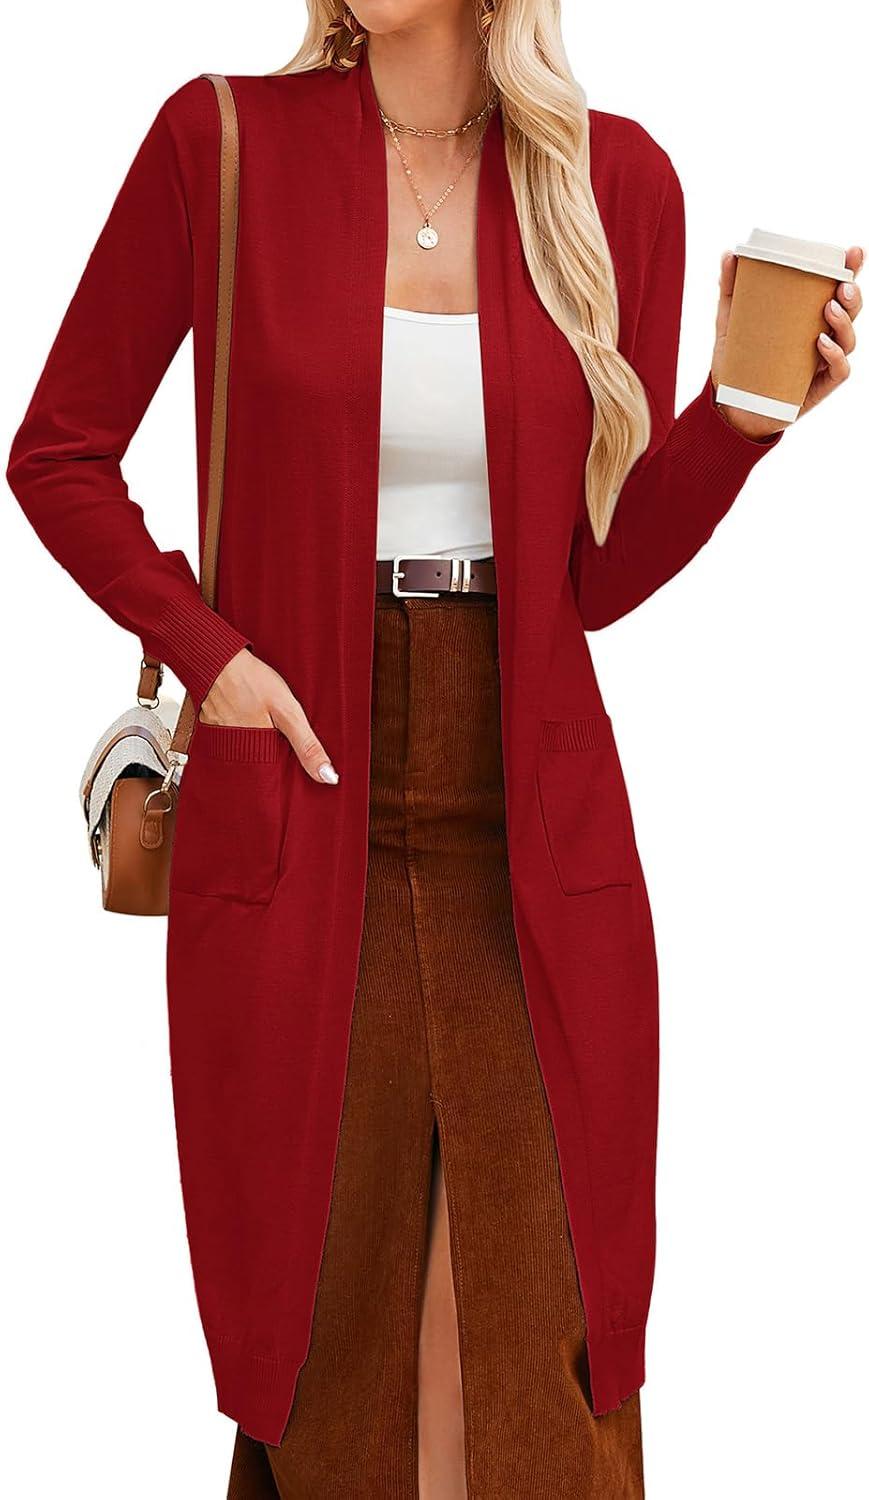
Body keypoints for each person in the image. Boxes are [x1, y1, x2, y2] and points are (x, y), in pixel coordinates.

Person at [7, 3, 860, 1496]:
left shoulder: (613, 181)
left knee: (526, 1316)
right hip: (304, 776)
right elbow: (58, 453)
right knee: (336, 1327)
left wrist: (741, 424)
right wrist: (214, 661)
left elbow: (598, 575)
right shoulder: (221, 142)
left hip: (529, 802)